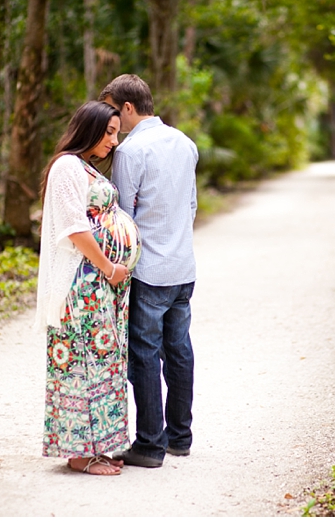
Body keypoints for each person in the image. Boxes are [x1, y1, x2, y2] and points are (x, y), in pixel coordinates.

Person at [34, 101, 141, 476]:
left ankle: (100, 446)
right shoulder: (66, 166)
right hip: (83, 284)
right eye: (109, 132)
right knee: (80, 365)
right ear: (89, 128)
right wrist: (109, 265)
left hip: (102, 286)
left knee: (104, 363)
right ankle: (78, 454)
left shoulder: (86, 168)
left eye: (116, 132)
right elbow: (74, 229)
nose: (114, 140)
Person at [99, 74, 198, 468]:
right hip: (183, 267)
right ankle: (180, 438)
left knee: (143, 355)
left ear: (127, 107)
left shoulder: (131, 151)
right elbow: (191, 206)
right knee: (179, 351)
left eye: (112, 110)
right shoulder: (184, 143)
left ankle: (149, 445)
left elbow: (123, 218)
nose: (112, 123)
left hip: (149, 271)